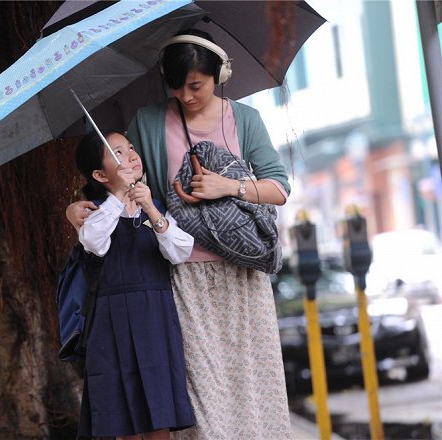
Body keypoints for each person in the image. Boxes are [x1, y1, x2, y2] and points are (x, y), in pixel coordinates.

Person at [67, 30, 292, 439]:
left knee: (253, 388)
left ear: (218, 74)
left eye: (196, 86)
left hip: (243, 278)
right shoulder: (150, 121)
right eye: (177, 86)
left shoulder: (245, 119)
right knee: (201, 396)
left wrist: (230, 186)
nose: (186, 96)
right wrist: (73, 207)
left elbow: (279, 189)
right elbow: (120, 176)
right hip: (184, 277)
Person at [73, 129, 196, 439]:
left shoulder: (153, 204)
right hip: (111, 321)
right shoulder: (94, 211)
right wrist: (119, 198)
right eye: (117, 153)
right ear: (100, 174)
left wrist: (151, 209)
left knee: (160, 415)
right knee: (122, 419)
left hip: (155, 316)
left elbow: (180, 250)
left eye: (129, 148)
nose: (130, 155)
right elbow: (93, 242)